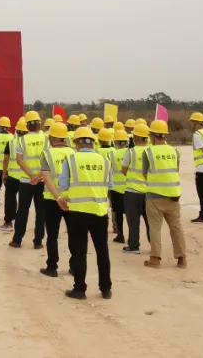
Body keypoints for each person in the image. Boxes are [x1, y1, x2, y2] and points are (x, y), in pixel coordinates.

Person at [59, 127, 113, 300]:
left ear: (76, 142)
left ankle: (80, 288)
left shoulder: (71, 159)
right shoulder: (104, 160)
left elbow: (63, 185)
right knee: (102, 250)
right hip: (100, 211)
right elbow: (110, 185)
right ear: (93, 142)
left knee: (79, 251)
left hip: (78, 212)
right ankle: (106, 288)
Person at [141, 120, 187, 269]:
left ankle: (155, 259)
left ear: (153, 135)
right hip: (174, 195)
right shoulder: (174, 151)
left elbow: (144, 173)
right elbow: (175, 170)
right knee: (176, 227)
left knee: (155, 228)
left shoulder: (148, 152)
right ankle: (182, 259)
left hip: (154, 196)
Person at [38, 121, 74, 278]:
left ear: (51, 138)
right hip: (71, 200)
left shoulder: (47, 154)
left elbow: (46, 179)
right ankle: (75, 266)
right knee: (74, 234)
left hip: (52, 199)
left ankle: (52, 267)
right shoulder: (74, 153)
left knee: (52, 234)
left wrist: (58, 197)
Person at [10, 111, 46, 250]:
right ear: (39, 124)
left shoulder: (22, 140)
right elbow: (48, 160)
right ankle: (38, 242)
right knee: (41, 212)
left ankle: (17, 240)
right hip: (41, 181)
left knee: (22, 211)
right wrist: (39, 176)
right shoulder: (46, 139)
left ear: (27, 125)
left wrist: (31, 175)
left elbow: (19, 160)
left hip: (26, 181)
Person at [121, 123, 152, 254]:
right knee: (151, 222)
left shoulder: (131, 152)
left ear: (136, 137)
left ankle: (134, 246)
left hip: (133, 192)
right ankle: (155, 245)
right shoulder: (151, 151)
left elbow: (123, 169)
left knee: (133, 221)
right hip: (150, 192)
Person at [0, 118, 27, 232]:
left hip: (12, 176)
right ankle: (21, 224)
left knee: (10, 199)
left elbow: (6, 159)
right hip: (26, 177)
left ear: (16, 130)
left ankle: (8, 222)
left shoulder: (11, 142)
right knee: (24, 202)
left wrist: (4, 173)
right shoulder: (29, 144)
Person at [109, 129, 129, 243]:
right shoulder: (131, 152)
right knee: (131, 215)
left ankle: (120, 235)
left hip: (116, 188)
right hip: (129, 187)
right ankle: (132, 237)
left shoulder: (112, 154)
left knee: (118, 213)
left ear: (115, 142)